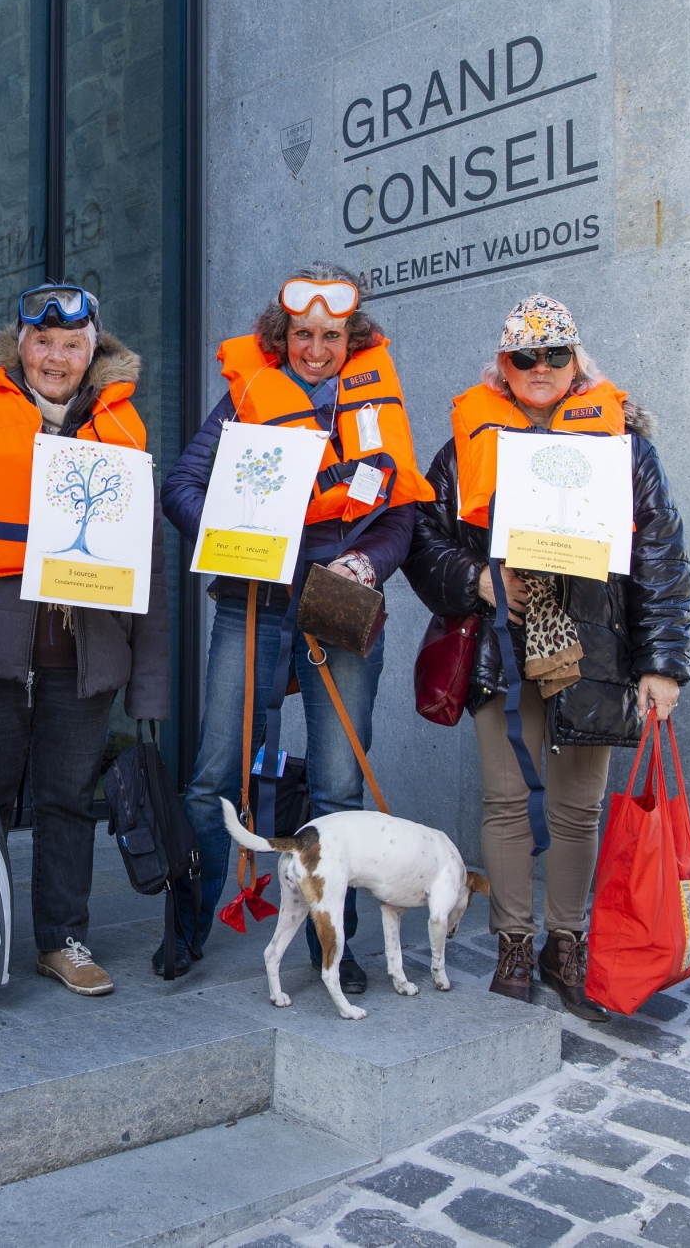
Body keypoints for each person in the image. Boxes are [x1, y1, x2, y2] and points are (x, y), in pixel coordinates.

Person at [404, 293, 690, 1021]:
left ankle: (565, 940)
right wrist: (476, 578)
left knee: (576, 805)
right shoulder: (465, 443)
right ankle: (513, 941)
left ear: (576, 359)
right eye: (524, 356)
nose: (540, 368)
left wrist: (662, 663)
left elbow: (660, 555)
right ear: (503, 364)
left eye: (554, 353)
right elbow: (422, 536)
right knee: (505, 798)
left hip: (592, 644)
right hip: (501, 643)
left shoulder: (626, 446)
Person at [162, 265, 433, 987]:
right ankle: (186, 928)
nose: (316, 349)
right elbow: (180, 488)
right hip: (253, 597)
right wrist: (239, 533)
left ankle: (329, 947)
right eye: (303, 335)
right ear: (282, 337)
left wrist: (368, 565)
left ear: (354, 336)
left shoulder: (377, 401)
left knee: (339, 784)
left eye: (331, 336)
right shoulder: (246, 396)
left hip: (340, 602)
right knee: (213, 773)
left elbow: (403, 510)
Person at [0, 283, 170, 999]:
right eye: (43, 341)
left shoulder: (122, 430)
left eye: (72, 344)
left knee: (66, 801)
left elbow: (148, 559)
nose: (56, 356)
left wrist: (148, 678)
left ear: (94, 353)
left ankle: (62, 938)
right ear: (18, 345)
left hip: (84, 659)